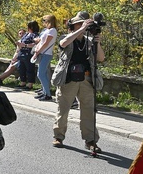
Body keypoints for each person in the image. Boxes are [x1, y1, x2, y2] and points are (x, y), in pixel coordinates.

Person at [50, 12, 105, 150]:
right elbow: (63, 43)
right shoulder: (67, 37)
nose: (83, 25)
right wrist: (81, 30)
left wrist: (97, 42)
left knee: (88, 110)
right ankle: (58, 137)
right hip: (68, 79)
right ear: (73, 26)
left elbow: (101, 58)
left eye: (84, 23)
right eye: (79, 24)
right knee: (63, 109)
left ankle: (90, 140)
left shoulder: (89, 40)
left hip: (86, 79)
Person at [32, 15, 58, 101]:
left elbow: (46, 43)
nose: (43, 23)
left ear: (49, 21)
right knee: (44, 74)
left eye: (44, 21)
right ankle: (44, 92)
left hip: (46, 54)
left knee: (40, 74)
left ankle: (48, 94)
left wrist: (37, 51)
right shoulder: (48, 30)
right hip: (43, 53)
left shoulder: (52, 30)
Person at [16, 21, 40, 90]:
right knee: (21, 67)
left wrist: (25, 45)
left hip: (29, 53)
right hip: (22, 53)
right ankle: (22, 82)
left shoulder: (35, 35)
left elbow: (35, 44)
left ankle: (30, 84)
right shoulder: (26, 34)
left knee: (29, 69)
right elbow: (22, 41)